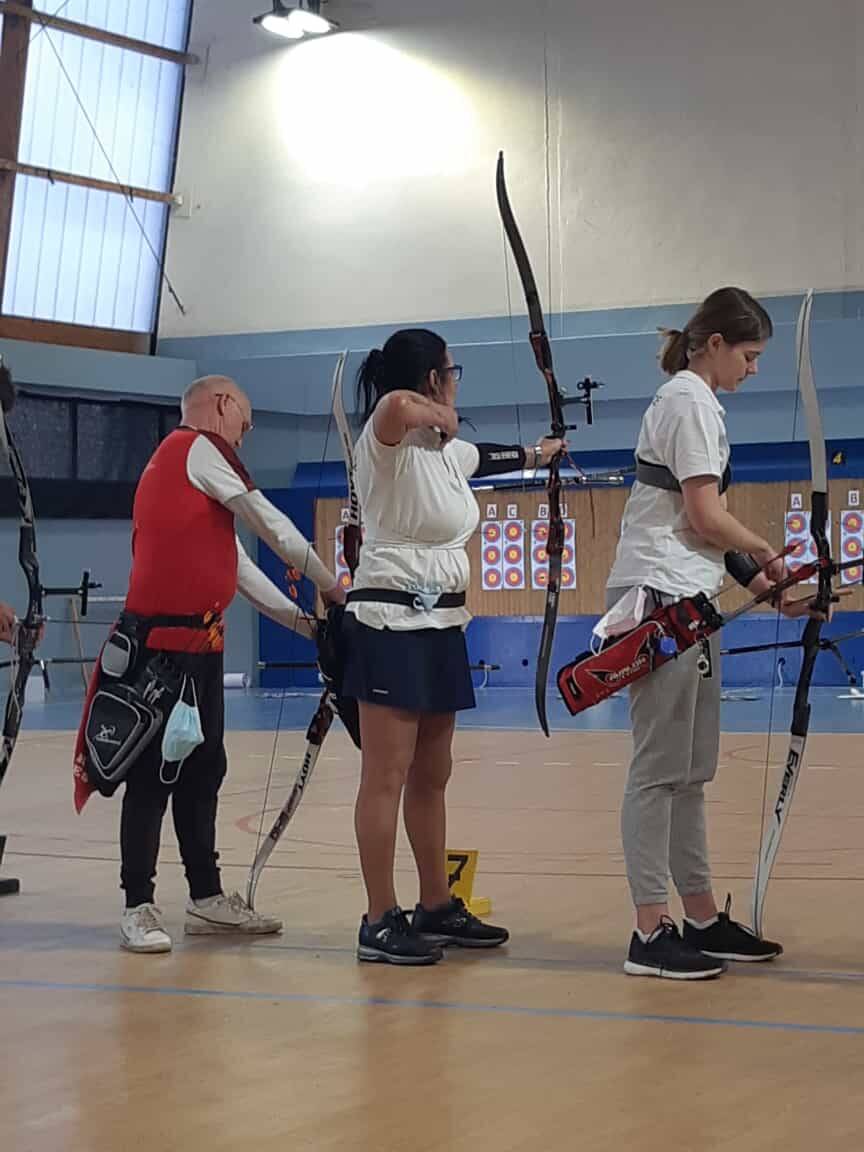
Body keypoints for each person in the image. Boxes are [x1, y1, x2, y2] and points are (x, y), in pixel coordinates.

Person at [74, 375, 344, 954]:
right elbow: (268, 520)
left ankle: (206, 897)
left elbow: (239, 573)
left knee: (204, 771)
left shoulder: (194, 473)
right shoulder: (194, 447)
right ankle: (137, 904)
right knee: (152, 778)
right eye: (244, 422)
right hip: (159, 655)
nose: (244, 436)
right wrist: (331, 587)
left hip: (200, 651)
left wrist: (311, 626)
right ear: (222, 405)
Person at [605, 286, 821, 980]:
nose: (754, 369)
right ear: (716, 344)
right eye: (749, 355)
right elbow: (704, 517)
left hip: (686, 594)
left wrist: (768, 590)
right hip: (659, 598)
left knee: (690, 771)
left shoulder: (696, 404)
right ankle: (649, 930)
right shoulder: (688, 402)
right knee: (657, 769)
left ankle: (698, 917)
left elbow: (699, 530)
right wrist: (771, 555)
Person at [343, 328, 563, 964]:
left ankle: (435, 904)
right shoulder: (386, 439)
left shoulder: (444, 453)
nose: (457, 381)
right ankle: (379, 918)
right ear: (433, 378)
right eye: (451, 371)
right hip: (389, 626)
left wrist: (540, 451)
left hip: (441, 626)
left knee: (432, 773)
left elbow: (487, 457)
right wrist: (437, 411)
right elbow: (395, 407)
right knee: (384, 775)